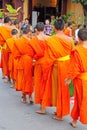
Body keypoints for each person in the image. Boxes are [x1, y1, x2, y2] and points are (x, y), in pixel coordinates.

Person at [46, 19, 73, 120]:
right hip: (67, 65)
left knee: (58, 88)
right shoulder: (70, 39)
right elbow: (72, 53)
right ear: (64, 28)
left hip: (57, 66)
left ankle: (60, 114)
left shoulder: (51, 39)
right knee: (64, 89)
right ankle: (60, 110)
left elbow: (49, 56)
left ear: (54, 28)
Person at [65, 28, 87, 128]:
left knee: (80, 101)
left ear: (78, 39)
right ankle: (74, 121)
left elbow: (75, 68)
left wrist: (69, 78)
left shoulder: (77, 51)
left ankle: (75, 121)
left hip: (81, 80)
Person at [30, 22, 53, 114]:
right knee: (46, 84)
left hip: (39, 64)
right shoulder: (49, 38)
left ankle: (42, 108)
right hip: (48, 63)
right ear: (44, 29)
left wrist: (34, 59)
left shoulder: (33, 40)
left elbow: (34, 54)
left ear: (36, 30)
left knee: (39, 84)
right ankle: (45, 104)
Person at [13, 25, 34, 104]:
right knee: (29, 79)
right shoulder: (31, 41)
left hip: (22, 61)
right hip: (29, 61)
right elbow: (34, 53)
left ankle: (24, 98)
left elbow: (15, 55)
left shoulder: (18, 41)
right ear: (28, 33)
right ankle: (30, 97)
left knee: (23, 79)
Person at [0, 16, 12, 81]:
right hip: (11, 46)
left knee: (5, 62)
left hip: (4, 46)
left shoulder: (1, 28)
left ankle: (8, 78)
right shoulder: (12, 28)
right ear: (9, 21)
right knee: (10, 62)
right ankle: (11, 78)